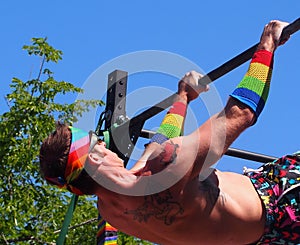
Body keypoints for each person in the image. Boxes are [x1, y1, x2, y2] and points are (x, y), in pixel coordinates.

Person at [39, 20, 299, 244]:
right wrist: (267, 46)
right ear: (94, 159)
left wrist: (183, 97)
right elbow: (240, 114)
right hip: (285, 200)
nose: (106, 146)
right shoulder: (165, 169)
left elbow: (155, 150)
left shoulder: (111, 210)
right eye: (99, 144)